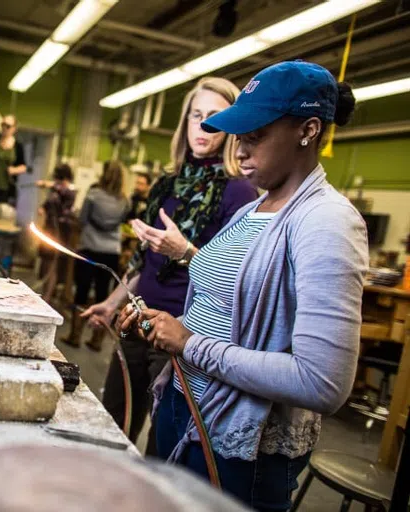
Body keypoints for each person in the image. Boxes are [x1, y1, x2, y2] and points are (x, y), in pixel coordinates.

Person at [116, 61, 367, 510]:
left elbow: (322, 382)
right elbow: (220, 307)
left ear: (307, 130)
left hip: (238, 446)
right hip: (185, 407)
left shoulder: (327, 222)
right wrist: (167, 324)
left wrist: (190, 345)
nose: (241, 151)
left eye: (254, 137)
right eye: (238, 138)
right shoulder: (249, 212)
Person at [81, 77, 258, 455]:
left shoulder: (239, 190)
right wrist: (113, 303)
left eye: (215, 117)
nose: (204, 126)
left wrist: (186, 250)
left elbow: (235, 276)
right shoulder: (168, 182)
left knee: (162, 444)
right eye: (196, 115)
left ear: (231, 126)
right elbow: (144, 259)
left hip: (181, 333)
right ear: (185, 121)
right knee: (113, 423)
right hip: (136, 319)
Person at [63, 161, 129, 350]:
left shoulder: (93, 195)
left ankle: (75, 335)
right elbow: (122, 222)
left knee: (82, 292)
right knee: (103, 294)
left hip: (90, 248)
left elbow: (82, 220)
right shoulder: (124, 201)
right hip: (111, 251)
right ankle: (97, 339)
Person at [37, 164, 77, 303]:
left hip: (60, 231)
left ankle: (47, 298)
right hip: (49, 228)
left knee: (53, 264)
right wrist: (43, 207)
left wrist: (48, 184)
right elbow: (49, 203)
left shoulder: (70, 189)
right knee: (46, 262)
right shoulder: (57, 190)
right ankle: (43, 294)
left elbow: (65, 193)